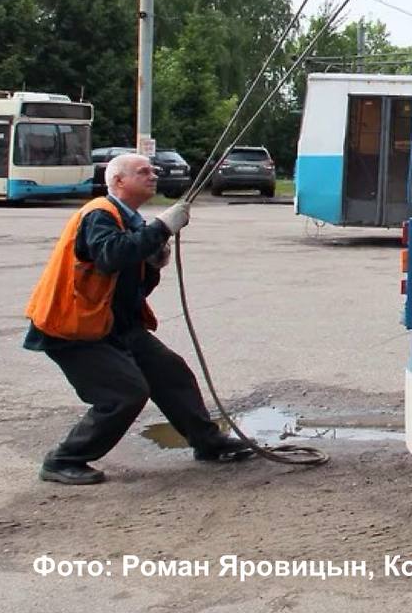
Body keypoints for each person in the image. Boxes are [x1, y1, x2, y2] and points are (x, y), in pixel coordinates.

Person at [24, 152, 253, 484]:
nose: (153, 175)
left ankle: (208, 443)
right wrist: (160, 229)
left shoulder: (127, 219)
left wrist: (152, 260)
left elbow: (129, 281)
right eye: (143, 171)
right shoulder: (99, 214)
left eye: (153, 170)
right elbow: (112, 256)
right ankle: (63, 460)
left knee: (170, 372)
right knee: (124, 394)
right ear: (118, 181)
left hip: (113, 324)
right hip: (72, 328)